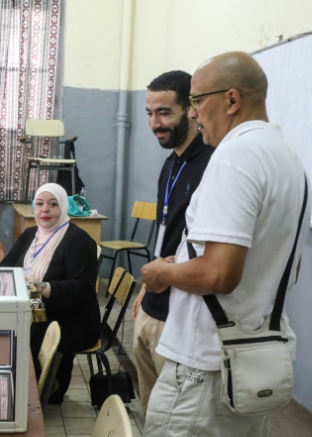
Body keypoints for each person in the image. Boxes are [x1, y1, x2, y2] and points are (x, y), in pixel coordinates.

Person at [130, 51, 312, 437]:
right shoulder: (287, 158)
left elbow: (218, 273)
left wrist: (162, 271)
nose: (193, 113)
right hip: (254, 357)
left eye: (198, 101)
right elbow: (271, 267)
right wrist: (185, 259)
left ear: (231, 99)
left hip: (205, 367)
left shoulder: (233, 157)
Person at [132, 70, 214, 414]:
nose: (155, 124)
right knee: (150, 411)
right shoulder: (170, 164)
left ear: (191, 109)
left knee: (173, 416)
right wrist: (142, 288)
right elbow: (165, 230)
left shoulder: (212, 163)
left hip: (181, 313)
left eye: (165, 112)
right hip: (151, 303)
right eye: (150, 113)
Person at [0, 183, 100, 404]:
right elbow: (7, 265)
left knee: (29, 334)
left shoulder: (79, 240)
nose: (45, 210)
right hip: (37, 307)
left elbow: (82, 288)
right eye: (40, 204)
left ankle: (44, 389)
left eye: (53, 204)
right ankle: (12, 385)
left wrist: (43, 287)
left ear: (63, 208)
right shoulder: (29, 235)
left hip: (73, 317)